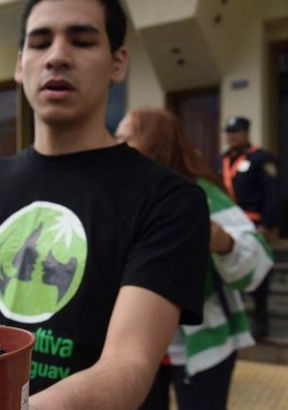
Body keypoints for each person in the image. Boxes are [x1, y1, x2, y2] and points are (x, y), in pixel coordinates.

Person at [0, 1, 210, 408]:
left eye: (82, 40)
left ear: (117, 63)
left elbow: (129, 364)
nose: (57, 56)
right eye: (40, 43)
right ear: (20, 65)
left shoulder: (170, 201)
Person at [116, 108, 274, 409]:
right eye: (117, 138)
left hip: (204, 343)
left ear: (156, 142)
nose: (117, 146)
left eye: (127, 138)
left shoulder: (198, 193)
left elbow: (257, 261)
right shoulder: (118, 193)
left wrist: (222, 241)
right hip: (136, 346)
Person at [217, 116, 281, 340]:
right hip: (227, 225)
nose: (231, 136)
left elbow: (274, 195)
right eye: (228, 132)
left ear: (246, 133)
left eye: (235, 132)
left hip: (253, 224)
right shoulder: (223, 159)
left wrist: (267, 224)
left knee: (259, 274)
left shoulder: (261, 159)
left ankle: (260, 320)